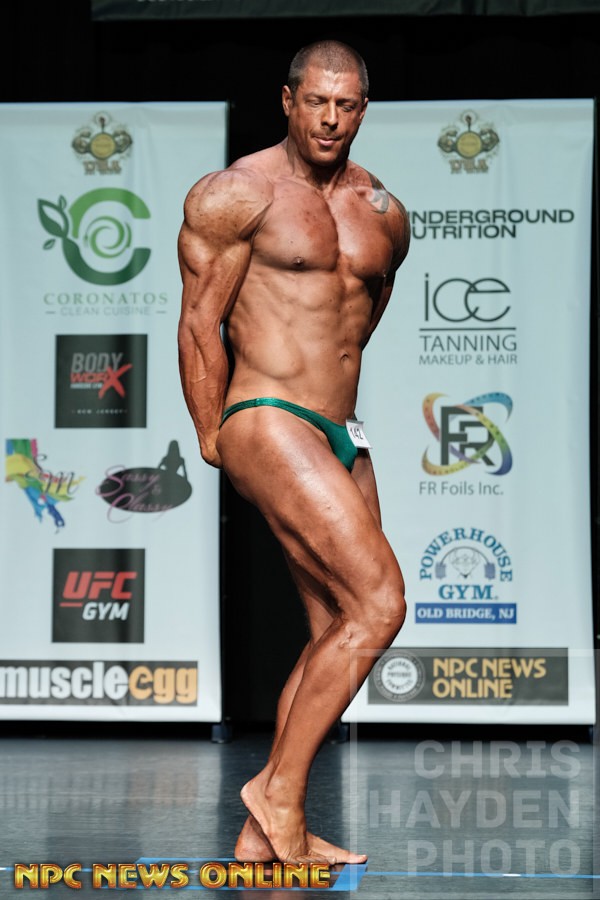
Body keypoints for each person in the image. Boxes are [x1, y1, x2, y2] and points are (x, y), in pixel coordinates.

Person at [178, 39, 410, 865]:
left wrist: (339, 418)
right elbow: (199, 320)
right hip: (267, 411)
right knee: (381, 603)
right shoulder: (236, 194)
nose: (330, 118)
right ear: (288, 100)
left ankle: (270, 831)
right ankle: (273, 794)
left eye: (346, 105)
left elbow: (360, 323)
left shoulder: (385, 212)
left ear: (363, 110)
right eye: (316, 101)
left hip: (340, 429)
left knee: (337, 634)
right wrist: (215, 433)